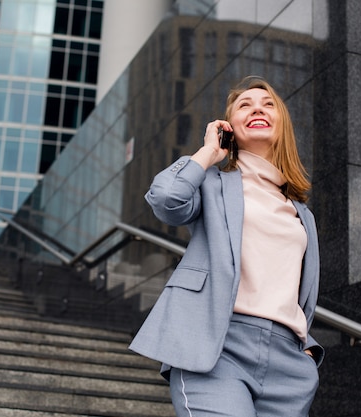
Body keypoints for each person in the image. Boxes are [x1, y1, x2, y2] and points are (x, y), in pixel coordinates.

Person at [129, 76, 324, 416]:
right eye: (244, 106)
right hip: (217, 348)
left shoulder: (301, 214)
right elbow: (165, 199)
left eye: (267, 105)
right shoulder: (211, 184)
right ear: (229, 127)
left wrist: (305, 350)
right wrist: (208, 153)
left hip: (287, 365)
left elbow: (297, 290)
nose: (256, 109)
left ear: (282, 124)